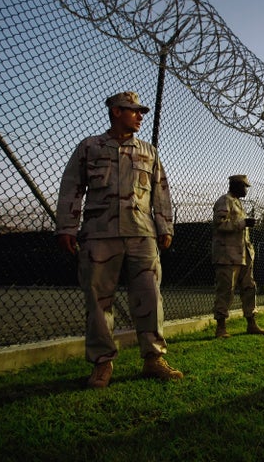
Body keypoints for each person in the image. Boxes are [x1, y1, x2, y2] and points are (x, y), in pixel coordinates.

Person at [55, 91, 183, 388]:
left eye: (140, 111)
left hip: (142, 233)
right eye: (134, 111)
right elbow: (72, 187)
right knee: (98, 300)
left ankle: (153, 359)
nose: (140, 116)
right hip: (100, 234)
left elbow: (161, 191)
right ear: (116, 111)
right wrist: (67, 227)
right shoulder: (90, 147)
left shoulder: (149, 152)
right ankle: (102, 364)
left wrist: (165, 226)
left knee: (150, 296)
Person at [212, 174, 264, 338]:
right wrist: (243, 223)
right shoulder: (225, 201)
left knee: (249, 288)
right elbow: (219, 224)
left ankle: (251, 323)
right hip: (227, 256)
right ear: (236, 185)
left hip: (243, 255)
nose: (246, 190)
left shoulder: (238, 203)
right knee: (226, 290)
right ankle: (221, 327)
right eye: (244, 186)